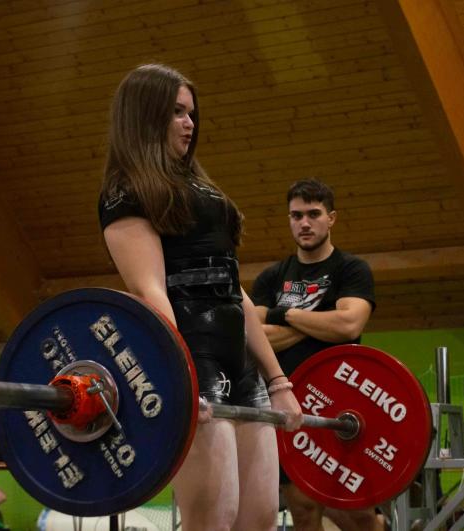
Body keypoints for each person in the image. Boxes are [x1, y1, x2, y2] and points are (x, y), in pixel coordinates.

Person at [98, 63, 303, 531]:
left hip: (239, 361)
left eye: (191, 113)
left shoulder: (203, 190)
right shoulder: (126, 192)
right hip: (194, 358)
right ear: (145, 116)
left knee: (261, 518)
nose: (189, 123)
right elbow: (149, 290)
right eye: (176, 112)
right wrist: (181, 374)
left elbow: (234, 292)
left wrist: (279, 382)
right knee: (213, 519)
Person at [250, 179, 380, 531]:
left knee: (358, 515)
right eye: (296, 216)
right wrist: (322, 320)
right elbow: (254, 337)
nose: (304, 223)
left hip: (342, 405)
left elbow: (349, 325)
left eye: (313, 214)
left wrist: (284, 315)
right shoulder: (271, 277)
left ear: (331, 218)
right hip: (288, 402)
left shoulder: (351, 269)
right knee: (304, 509)